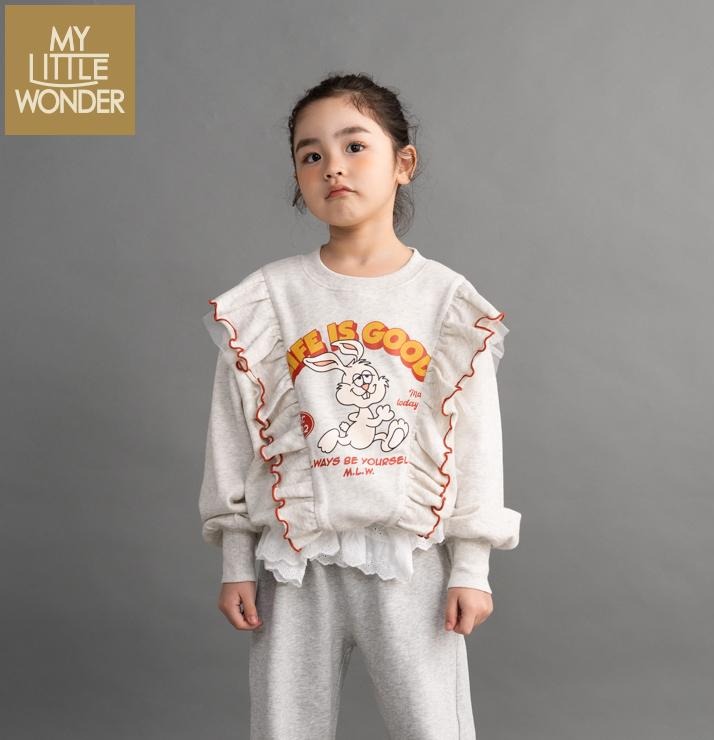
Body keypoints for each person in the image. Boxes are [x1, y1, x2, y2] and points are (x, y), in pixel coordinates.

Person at [198, 72, 522, 740]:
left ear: (404, 162)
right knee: (284, 726)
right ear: (298, 176)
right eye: (310, 154)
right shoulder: (269, 298)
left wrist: (472, 566)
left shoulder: (445, 300)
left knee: (433, 726)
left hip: (412, 564)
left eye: (354, 146)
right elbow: (234, 434)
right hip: (295, 566)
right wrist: (235, 560)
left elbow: (475, 441)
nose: (333, 167)